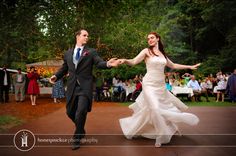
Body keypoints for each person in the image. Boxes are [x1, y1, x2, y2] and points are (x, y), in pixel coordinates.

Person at [119, 32, 200, 147]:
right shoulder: (146, 51)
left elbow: (174, 65)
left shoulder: (162, 54)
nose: (150, 40)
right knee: (155, 108)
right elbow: (133, 61)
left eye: (152, 38)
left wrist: (189, 67)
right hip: (149, 84)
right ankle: (162, 136)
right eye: (148, 39)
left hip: (160, 86)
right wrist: (125, 60)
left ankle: (168, 127)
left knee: (159, 108)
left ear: (157, 39)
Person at [49, 29, 120, 150]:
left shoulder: (91, 52)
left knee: (81, 111)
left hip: (85, 87)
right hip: (72, 87)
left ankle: (77, 138)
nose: (87, 37)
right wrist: (56, 76)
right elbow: (64, 68)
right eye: (84, 35)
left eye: (88, 36)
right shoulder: (68, 53)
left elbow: (99, 62)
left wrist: (108, 64)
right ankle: (81, 129)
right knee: (69, 112)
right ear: (77, 36)